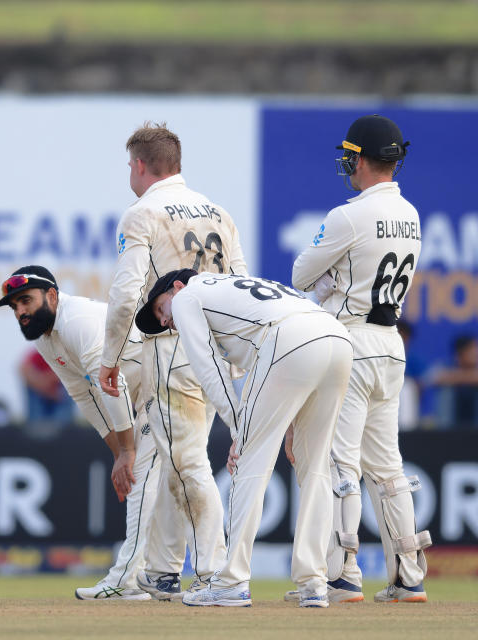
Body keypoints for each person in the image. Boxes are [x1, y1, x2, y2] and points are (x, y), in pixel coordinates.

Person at [136, 269, 353, 607]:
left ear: (176, 287)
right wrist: (287, 419)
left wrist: (239, 428)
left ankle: (232, 581)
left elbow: (208, 367)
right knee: (316, 467)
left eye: (162, 309)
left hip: (288, 339)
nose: (166, 321)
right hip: (336, 338)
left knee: (248, 461)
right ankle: (314, 583)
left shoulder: (189, 296)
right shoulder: (233, 287)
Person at [99, 122, 248, 591]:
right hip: (218, 352)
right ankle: (164, 571)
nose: (129, 173)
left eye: (130, 165)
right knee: (175, 459)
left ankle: (215, 574)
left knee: (186, 464)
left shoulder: (141, 213)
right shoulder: (218, 212)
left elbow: (126, 296)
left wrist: (111, 358)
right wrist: (239, 357)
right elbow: (241, 282)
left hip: (173, 349)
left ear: (140, 166)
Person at [291, 114, 430, 604]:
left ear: (363, 158)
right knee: (387, 464)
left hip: (350, 340)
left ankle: (344, 571)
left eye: (351, 154)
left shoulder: (347, 215)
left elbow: (301, 274)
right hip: (392, 344)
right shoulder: (411, 214)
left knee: (339, 459)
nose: (346, 163)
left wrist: (331, 283)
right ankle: (409, 573)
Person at [0, 266, 188, 601]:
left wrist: (127, 452)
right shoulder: (45, 336)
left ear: (52, 295)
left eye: (25, 301)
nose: (21, 312)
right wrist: (118, 452)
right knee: (150, 482)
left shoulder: (76, 321)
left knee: (144, 479)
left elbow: (112, 385)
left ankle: (127, 580)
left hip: (167, 383)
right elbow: (83, 394)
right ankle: (154, 577)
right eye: (15, 307)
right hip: (144, 395)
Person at [428, 335, 478, 429]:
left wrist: (459, 377)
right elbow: (434, 377)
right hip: (452, 422)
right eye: (472, 349)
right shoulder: (447, 365)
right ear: (460, 353)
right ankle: (445, 432)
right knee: (445, 390)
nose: (476, 353)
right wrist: (466, 377)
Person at [20, 348, 74, 423]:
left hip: (57, 392)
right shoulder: (38, 353)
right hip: (42, 392)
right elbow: (24, 369)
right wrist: (45, 388)